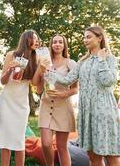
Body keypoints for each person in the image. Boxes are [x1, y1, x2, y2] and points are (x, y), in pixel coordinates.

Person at [40, 26, 120, 166]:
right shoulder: (83, 61)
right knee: (93, 157)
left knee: (111, 156)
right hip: (87, 113)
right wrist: (47, 71)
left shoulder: (109, 58)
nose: (85, 40)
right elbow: (67, 80)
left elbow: (109, 81)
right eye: (84, 37)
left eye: (89, 37)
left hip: (104, 112)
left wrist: (102, 60)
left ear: (99, 38)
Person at [32, 34, 78, 166]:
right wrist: (40, 68)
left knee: (61, 147)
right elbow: (37, 86)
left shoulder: (71, 63)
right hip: (46, 106)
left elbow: (75, 89)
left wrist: (62, 94)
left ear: (64, 45)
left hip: (63, 107)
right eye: (54, 42)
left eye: (60, 42)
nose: (57, 44)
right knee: (45, 144)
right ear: (51, 45)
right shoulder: (44, 61)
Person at [0, 30, 40, 166]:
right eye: (35, 39)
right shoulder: (11, 55)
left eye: (38, 39)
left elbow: (34, 83)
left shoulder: (36, 57)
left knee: (19, 141)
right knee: (5, 141)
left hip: (21, 105)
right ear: (27, 40)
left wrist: (42, 69)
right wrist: (9, 69)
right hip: (6, 102)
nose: (38, 41)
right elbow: (3, 81)